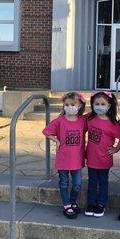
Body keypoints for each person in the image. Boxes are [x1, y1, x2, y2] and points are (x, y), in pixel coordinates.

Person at [42, 91, 87, 219]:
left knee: (77, 183)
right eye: (66, 104)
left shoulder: (83, 120)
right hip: (63, 158)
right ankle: (66, 204)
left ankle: (72, 201)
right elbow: (46, 131)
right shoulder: (60, 120)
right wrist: (56, 140)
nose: (69, 107)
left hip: (77, 159)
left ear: (79, 106)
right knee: (64, 182)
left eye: (72, 104)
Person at [85, 91, 120, 218]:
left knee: (103, 182)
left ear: (109, 105)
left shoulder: (113, 124)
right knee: (92, 182)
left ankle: (101, 204)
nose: (99, 106)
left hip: (104, 159)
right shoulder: (89, 118)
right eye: (97, 103)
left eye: (103, 104)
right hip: (91, 158)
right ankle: (91, 203)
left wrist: (116, 149)